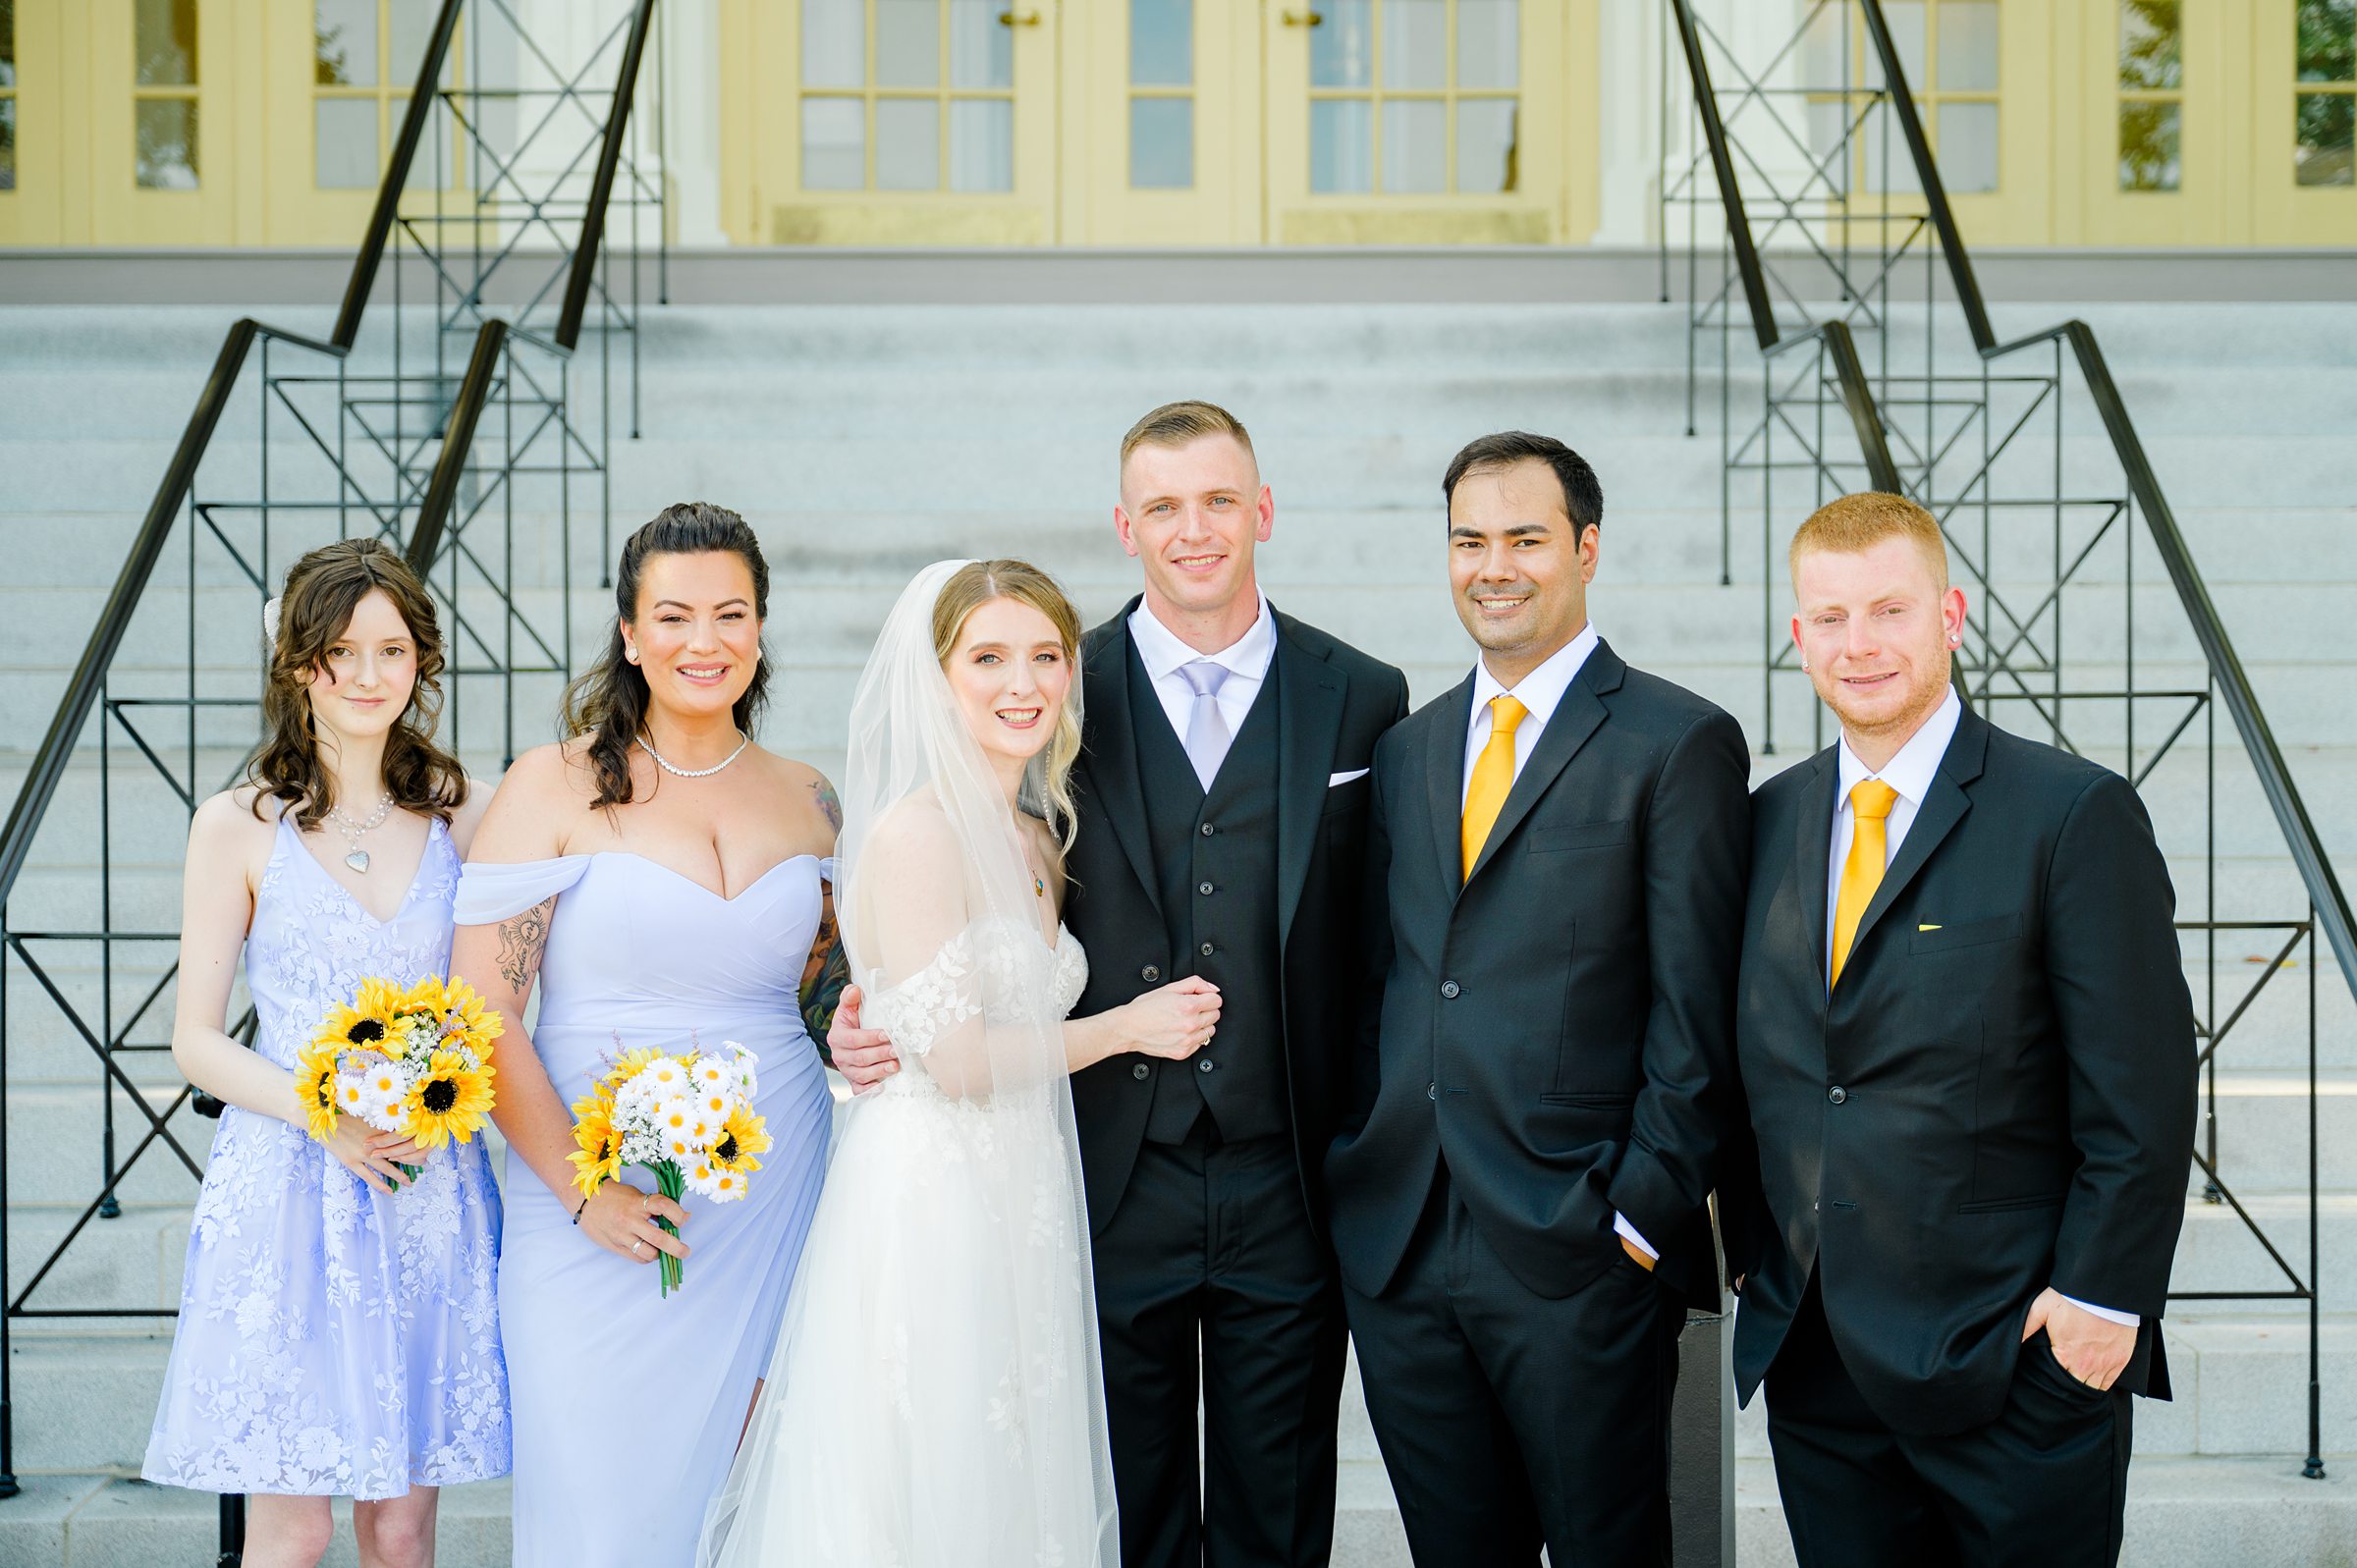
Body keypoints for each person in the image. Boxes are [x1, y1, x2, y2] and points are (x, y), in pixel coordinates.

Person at [834, 402, 1407, 1568]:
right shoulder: (1049, 690)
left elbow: (1386, 935)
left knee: (1280, 1505)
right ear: (1124, 524)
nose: (1193, 530)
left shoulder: (1362, 693)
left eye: (1218, 500)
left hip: (1288, 1173)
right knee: (1113, 1501)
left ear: (1262, 509)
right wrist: (844, 1020)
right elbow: (917, 914)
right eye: (1163, 507)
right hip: (1095, 1175)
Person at [700, 558, 1223, 1567]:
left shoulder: (1035, 833)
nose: (1021, 682)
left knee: (1013, 1462)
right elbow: (958, 1058)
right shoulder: (914, 834)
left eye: (1045, 656)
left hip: (1022, 1184)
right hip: (929, 1195)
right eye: (988, 657)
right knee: (928, 1462)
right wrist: (1128, 1027)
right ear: (937, 678)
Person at [1724, 491, 2198, 1566]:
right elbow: (1763, 1059)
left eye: (1889, 610)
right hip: (1820, 1364)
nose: (1861, 645)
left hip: (2013, 1362)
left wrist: (2096, 1306)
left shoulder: (2070, 813)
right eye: (1832, 618)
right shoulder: (1760, 821)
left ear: (1951, 614)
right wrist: (1758, 1248)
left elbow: (2144, 1091)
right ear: (1799, 637)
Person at [1325, 431, 1750, 1565]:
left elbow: (1696, 1012)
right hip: (1408, 1242)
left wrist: (1637, 1218)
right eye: (1469, 540)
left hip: (1581, 1248)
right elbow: (1390, 978)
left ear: (1588, 548)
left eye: (1525, 537)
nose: (1493, 564)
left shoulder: (1677, 740)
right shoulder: (1407, 750)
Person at [446, 504, 838, 1568]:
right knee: (603, 1511)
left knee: (756, 1506)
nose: (702, 641)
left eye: (729, 614)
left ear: (760, 628)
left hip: (779, 1195)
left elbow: (831, 997)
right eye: (673, 615)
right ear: (628, 633)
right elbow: (482, 1016)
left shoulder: (810, 798)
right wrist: (587, 1192)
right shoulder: (556, 782)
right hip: (587, 1191)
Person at [143, 537, 507, 1568]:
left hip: (424, 1187)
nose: (366, 675)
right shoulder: (238, 826)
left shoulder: (465, 813)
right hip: (290, 1189)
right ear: (299, 665)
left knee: (400, 1524)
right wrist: (325, 1115)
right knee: (293, 1528)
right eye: (339, 652)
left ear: (420, 665)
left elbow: (510, 992)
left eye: (391, 651)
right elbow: (196, 1039)